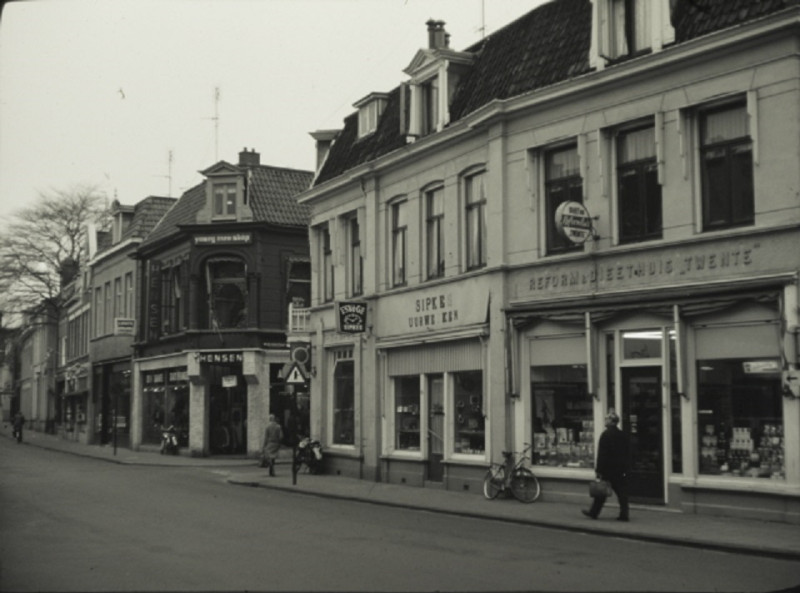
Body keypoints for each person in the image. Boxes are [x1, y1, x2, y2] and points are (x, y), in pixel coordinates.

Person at [583, 410, 630, 521]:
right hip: (620, 468)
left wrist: (599, 469)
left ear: (611, 421)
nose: (605, 421)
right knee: (621, 492)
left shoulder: (605, 435)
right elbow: (627, 452)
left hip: (608, 468)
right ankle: (624, 514)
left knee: (601, 492)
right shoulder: (622, 435)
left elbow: (602, 454)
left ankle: (594, 512)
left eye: (606, 419)